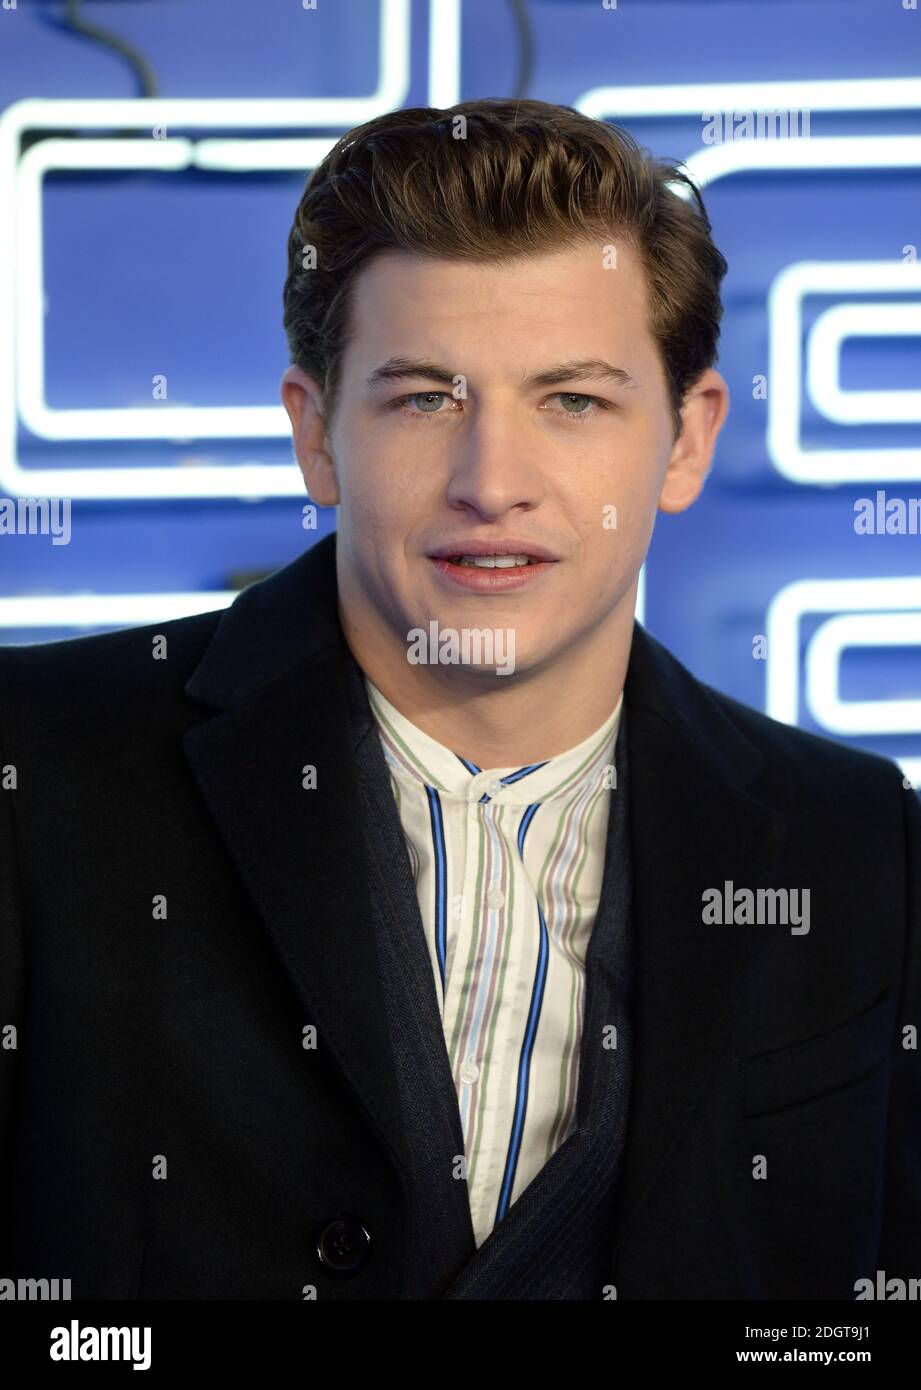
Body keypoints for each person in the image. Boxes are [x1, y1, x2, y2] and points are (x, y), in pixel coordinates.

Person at [1, 98, 918, 1301]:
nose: (494, 482)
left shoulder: (862, 845)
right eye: (425, 396)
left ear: (687, 441)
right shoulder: (37, 772)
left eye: (572, 400)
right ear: (318, 433)